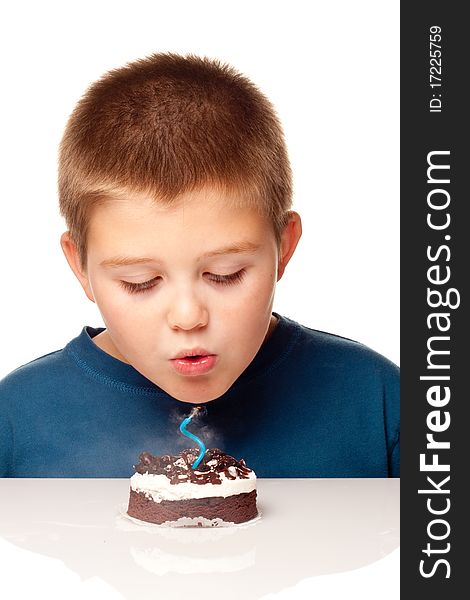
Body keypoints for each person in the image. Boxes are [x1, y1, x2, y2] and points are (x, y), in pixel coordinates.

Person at [0, 53, 399, 478]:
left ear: (283, 246)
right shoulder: (15, 420)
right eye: (141, 282)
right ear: (81, 267)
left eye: (225, 275)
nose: (188, 316)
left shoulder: (379, 402)